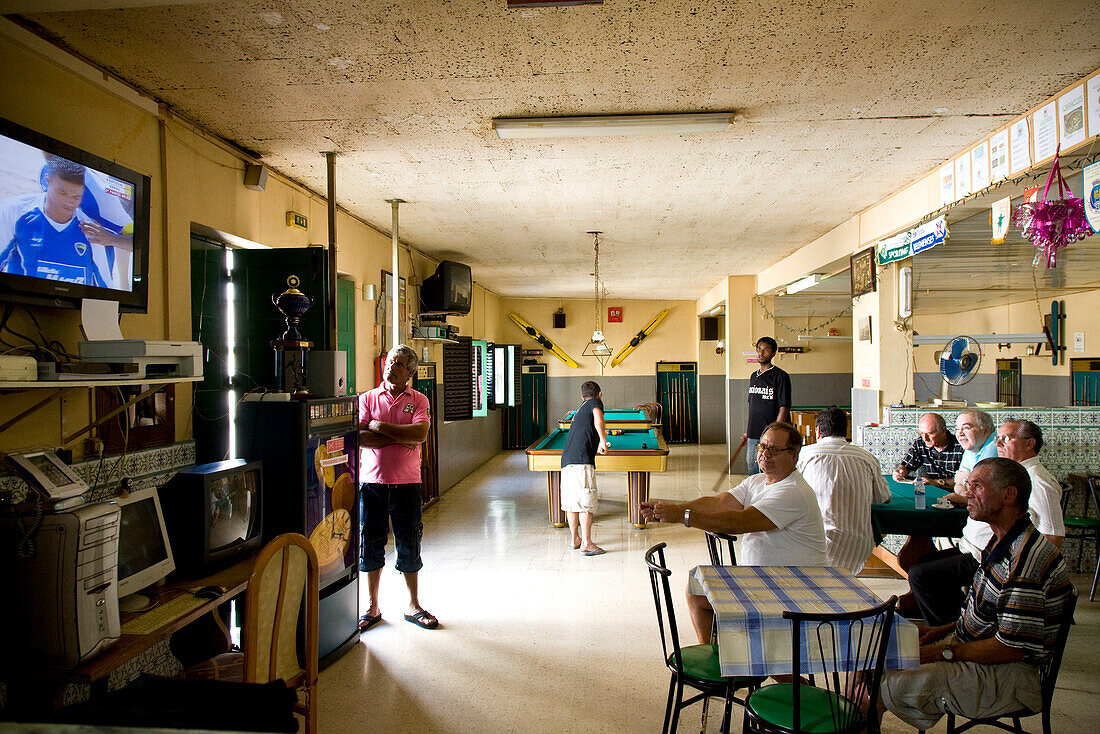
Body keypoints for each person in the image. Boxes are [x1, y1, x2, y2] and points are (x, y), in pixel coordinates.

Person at [876, 458, 1073, 732]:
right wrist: (942, 630)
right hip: (980, 649)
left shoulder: (1025, 561)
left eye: (977, 486)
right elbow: (990, 614)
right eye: (969, 485)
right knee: (874, 657)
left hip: (1013, 675)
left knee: (875, 682)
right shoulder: (1001, 540)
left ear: (1009, 495)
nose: (967, 493)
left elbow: (1010, 647)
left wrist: (940, 652)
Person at [641, 422, 826, 643]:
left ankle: (744, 667)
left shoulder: (793, 492)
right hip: (765, 581)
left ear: (794, 456)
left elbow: (737, 522)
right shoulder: (757, 481)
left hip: (794, 590)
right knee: (697, 593)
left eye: (775, 450)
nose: (765, 454)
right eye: (762, 447)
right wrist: (674, 509)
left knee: (755, 642)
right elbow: (719, 503)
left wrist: (682, 517)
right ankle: (714, 656)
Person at [357, 344, 435, 631]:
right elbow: (360, 437)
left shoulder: (419, 400)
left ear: (410, 372)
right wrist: (401, 437)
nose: (392, 367)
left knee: (409, 543)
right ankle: (372, 606)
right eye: (390, 361)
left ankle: (413, 605)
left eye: (399, 364)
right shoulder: (366, 398)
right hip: (372, 483)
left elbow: (421, 433)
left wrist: (380, 426)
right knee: (371, 544)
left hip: (407, 484)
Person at [905, 410, 1003, 625]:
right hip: (971, 542)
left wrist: (963, 487)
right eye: (957, 429)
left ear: (987, 430)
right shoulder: (973, 449)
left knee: (920, 574)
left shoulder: (993, 453)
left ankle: (945, 631)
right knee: (922, 562)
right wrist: (962, 486)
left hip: (983, 552)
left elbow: (964, 489)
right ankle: (959, 620)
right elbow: (961, 486)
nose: (960, 434)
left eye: (966, 428)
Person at [796, 407, 891, 574]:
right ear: (846, 430)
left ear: (818, 431)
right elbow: (884, 498)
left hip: (815, 543)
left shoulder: (805, 456)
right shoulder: (866, 457)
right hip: (858, 547)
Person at [0, 156, 112, 287]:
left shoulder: (90, 229)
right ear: (48, 182)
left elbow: (105, 285)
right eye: (62, 193)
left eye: (76, 196)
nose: (69, 202)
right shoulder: (15, 212)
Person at [996, 418, 1064, 548]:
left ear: (1029, 444)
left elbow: (1053, 535)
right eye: (997, 438)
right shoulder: (1017, 475)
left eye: (1006, 438)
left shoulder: (1038, 481)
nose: (998, 443)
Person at [559, 380, 608, 556]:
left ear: (582, 397)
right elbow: (598, 418)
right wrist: (603, 441)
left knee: (572, 503)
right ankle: (586, 543)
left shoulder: (580, 408)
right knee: (586, 503)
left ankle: (575, 539)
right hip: (581, 462)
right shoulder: (595, 403)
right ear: (599, 394)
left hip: (567, 461)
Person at [743, 336, 791, 475]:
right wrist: (748, 431)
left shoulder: (780, 376)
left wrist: (775, 431)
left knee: (769, 470)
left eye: (766, 350)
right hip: (753, 433)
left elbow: (784, 406)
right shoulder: (753, 376)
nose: (761, 353)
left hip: (770, 435)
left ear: (773, 353)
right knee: (752, 468)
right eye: (759, 349)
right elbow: (753, 406)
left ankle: (768, 496)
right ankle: (756, 497)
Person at [892, 412, 963, 489]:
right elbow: (906, 466)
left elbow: (966, 482)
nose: (925, 439)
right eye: (922, 433)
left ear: (943, 431)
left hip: (956, 493)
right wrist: (900, 472)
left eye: (930, 434)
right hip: (932, 491)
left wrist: (935, 482)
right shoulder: (920, 443)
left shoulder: (961, 446)